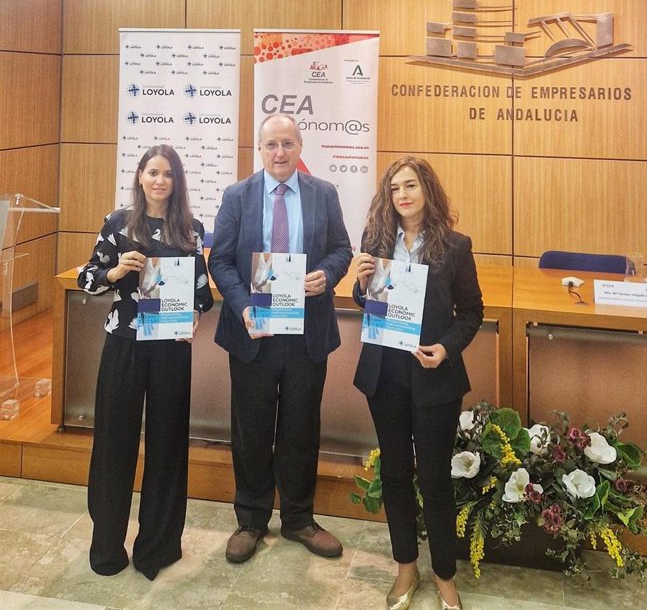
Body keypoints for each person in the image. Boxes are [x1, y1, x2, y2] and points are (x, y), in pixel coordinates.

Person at [209, 113, 352, 564]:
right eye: (271, 145)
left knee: (300, 428)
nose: (280, 153)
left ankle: (298, 520)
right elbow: (222, 261)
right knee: (250, 430)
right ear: (261, 148)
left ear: (300, 146)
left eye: (287, 143)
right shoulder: (238, 196)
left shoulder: (323, 193)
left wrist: (326, 276)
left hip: (306, 333)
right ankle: (250, 519)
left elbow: (342, 250)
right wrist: (242, 305)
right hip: (254, 332)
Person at [353, 156, 484, 610]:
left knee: (434, 479)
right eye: (394, 189)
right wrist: (361, 281)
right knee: (393, 472)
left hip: (434, 376)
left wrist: (446, 348)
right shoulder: (377, 239)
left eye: (410, 185)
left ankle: (445, 574)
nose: (402, 195)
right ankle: (406, 565)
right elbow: (364, 298)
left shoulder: (455, 246)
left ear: (427, 189)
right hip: (385, 374)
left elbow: (471, 313)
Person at [78, 144, 213, 580]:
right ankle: (107, 547)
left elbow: (202, 293)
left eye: (168, 174)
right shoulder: (117, 224)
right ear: (139, 177)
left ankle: (157, 548)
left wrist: (192, 313)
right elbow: (88, 278)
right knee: (114, 443)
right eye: (152, 172)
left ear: (177, 182)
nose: (160, 180)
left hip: (171, 348)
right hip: (125, 343)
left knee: (168, 445)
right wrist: (115, 272)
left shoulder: (191, 228)